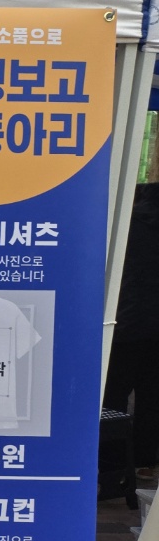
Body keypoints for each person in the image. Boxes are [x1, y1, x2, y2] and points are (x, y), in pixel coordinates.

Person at [104, 182, 159, 481]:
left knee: (113, 396)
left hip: (124, 323)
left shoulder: (127, 227)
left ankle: (112, 465)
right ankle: (145, 462)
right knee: (152, 399)